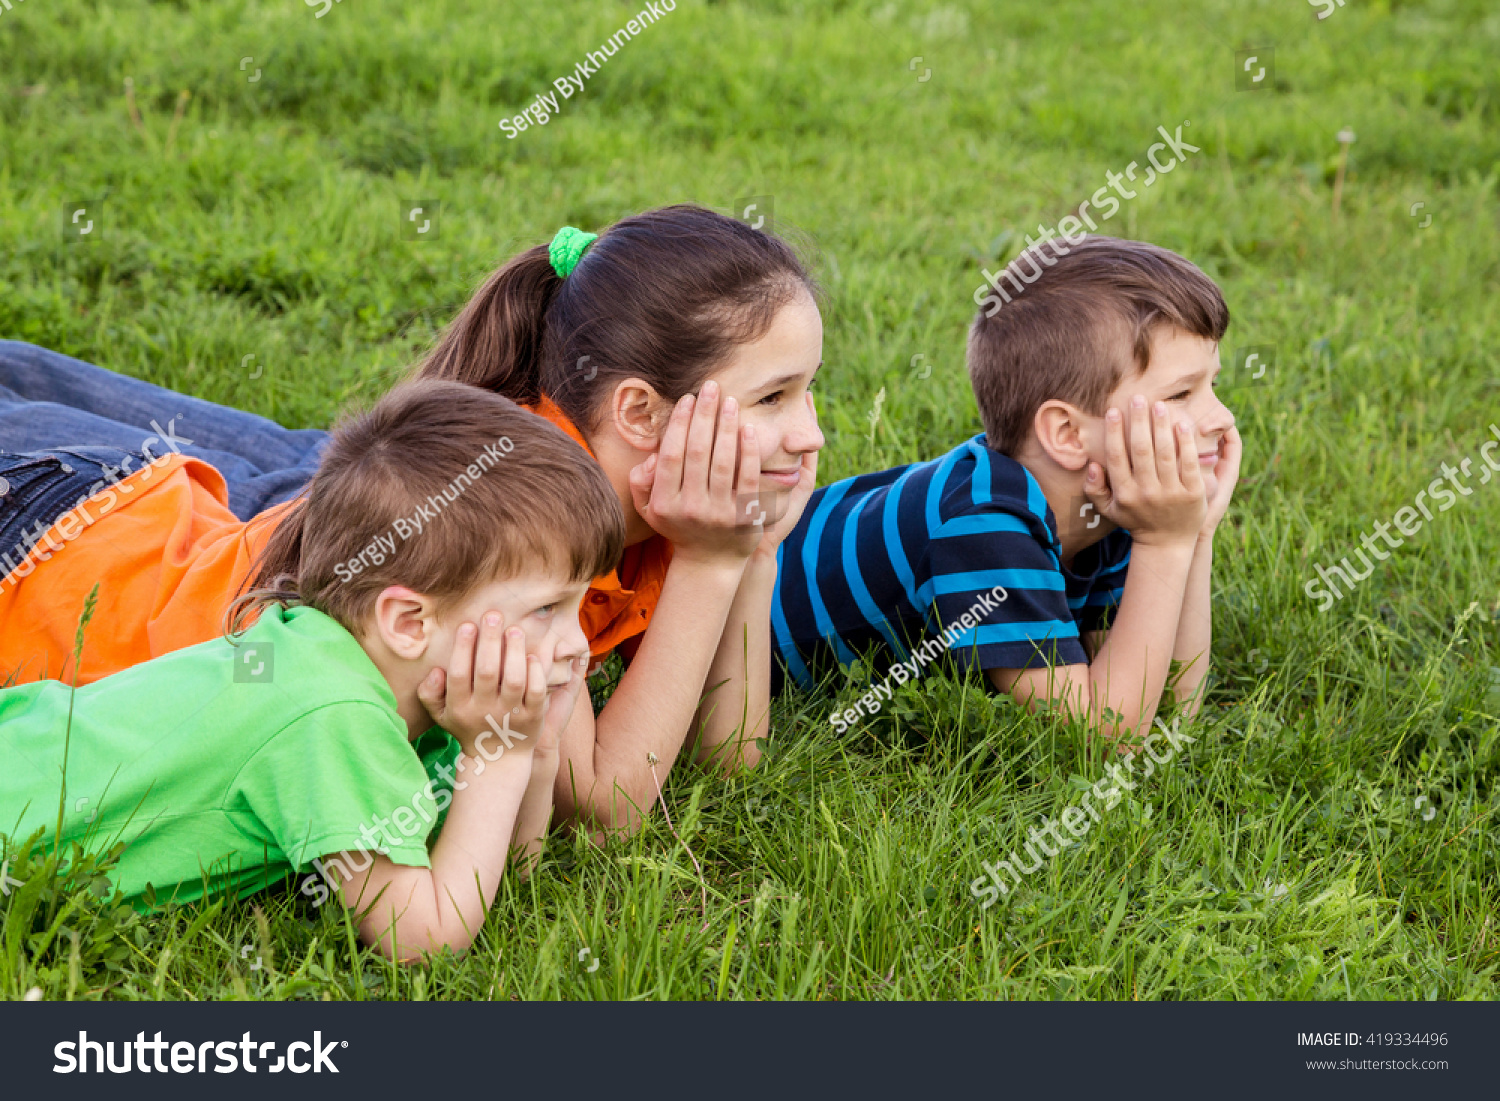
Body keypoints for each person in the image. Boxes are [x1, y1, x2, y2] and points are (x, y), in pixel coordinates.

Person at [0, 204, 826, 836]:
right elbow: (607, 803)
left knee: (312, 473)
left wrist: (752, 550)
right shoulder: (533, 528)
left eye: (808, 389)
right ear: (641, 413)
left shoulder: (629, 487)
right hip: (63, 546)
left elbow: (733, 759)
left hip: (211, 515)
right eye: (773, 397)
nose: (812, 433)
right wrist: (714, 561)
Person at [0, 379, 623, 961]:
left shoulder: (377, 677)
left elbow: (511, 871)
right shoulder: (332, 714)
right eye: (546, 609)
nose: (576, 646)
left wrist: (533, 749)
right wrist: (500, 759)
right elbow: (422, 938)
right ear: (409, 623)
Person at [773, 235, 1242, 743]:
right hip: (735, 631)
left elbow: (1169, 705)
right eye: (1181, 394)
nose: (1222, 418)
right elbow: (1102, 737)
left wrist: (1194, 536)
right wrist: (1165, 543)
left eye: (1212, 386)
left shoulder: (1113, 504)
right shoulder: (984, 526)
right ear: (1067, 434)